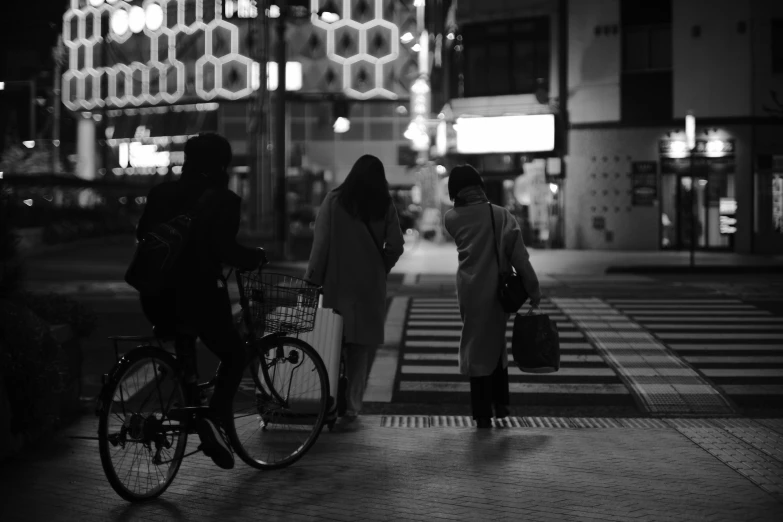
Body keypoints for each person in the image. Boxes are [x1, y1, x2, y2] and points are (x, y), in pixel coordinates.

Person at [136, 132, 266, 469]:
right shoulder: (224, 200)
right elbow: (224, 249)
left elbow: (143, 235)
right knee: (235, 354)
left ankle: (195, 408)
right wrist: (254, 258)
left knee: (184, 350)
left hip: (155, 294)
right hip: (199, 296)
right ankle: (215, 416)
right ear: (222, 163)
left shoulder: (160, 193)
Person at [305, 155, 405, 431]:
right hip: (369, 287)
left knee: (335, 344)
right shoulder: (384, 204)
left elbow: (321, 246)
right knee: (360, 349)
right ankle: (352, 406)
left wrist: (311, 280)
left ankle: (331, 400)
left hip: (339, 284)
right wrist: (380, 267)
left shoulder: (334, 201)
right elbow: (395, 245)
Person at [443, 165, 541, 429]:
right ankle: (498, 405)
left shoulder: (451, 218)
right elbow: (520, 258)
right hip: (497, 290)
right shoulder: (501, 216)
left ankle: (484, 410)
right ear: (480, 186)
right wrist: (533, 288)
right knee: (496, 344)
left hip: (468, 290)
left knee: (477, 346)